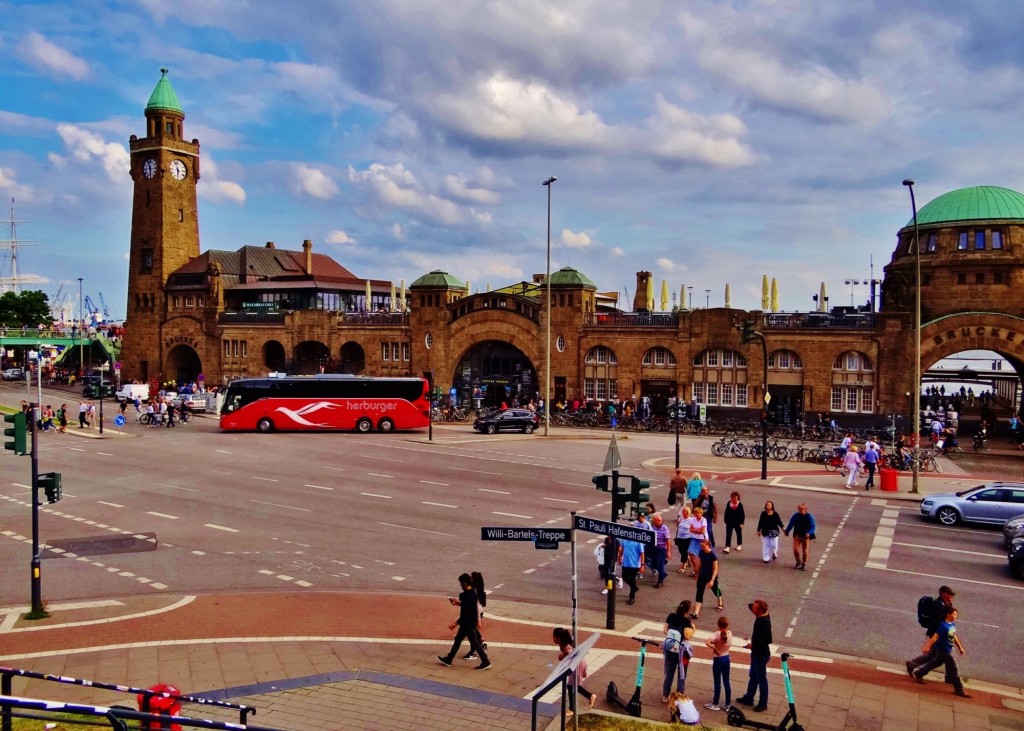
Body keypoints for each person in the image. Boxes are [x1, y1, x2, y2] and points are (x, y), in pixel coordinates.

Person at [911, 606, 971, 698]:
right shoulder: (943, 626)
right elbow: (935, 637)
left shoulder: (951, 624)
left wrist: (960, 647)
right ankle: (959, 688)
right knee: (954, 668)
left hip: (948, 649)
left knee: (936, 662)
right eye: (954, 614)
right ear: (948, 614)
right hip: (945, 650)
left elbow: (954, 636)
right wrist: (927, 646)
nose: (956, 616)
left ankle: (920, 673)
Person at [437, 573, 491, 670]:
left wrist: (455, 624)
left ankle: (485, 661)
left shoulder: (466, 595)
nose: (460, 585)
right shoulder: (473, 593)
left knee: (474, 642)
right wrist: (458, 603)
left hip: (467, 623)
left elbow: (465, 613)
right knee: (458, 640)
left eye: (461, 583)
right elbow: (468, 606)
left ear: (465, 583)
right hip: (470, 622)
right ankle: (449, 659)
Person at [907, 585, 956, 675]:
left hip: (941, 633)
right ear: (944, 594)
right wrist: (936, 635)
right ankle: (916, 669)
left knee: (933, 655)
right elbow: (935, 622)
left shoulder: (947, 604)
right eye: (950, 595)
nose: (952, 597)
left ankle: (912, 665)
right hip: (937, 633)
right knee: (938, 656)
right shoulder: (939, 605)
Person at [735, 599, 772, 713]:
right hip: (757, 652)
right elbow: (749, 605)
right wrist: (753, 644)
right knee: (753, 676)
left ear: (760, 610)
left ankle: (763, 703)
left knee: (761, 679)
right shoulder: (761, 615)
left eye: (755, 608)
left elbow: (768, 640)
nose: (752, 609)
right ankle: (749, 697)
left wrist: (754, 645)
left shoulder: (764, 622)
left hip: (761, 654)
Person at [553, 627, 596, 712]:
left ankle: (572, 709)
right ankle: (590, 696)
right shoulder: (563, 644)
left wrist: (563, 656)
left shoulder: (566, 646)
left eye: (554, 636)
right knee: (574, 685)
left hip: (577, 665)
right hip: (577, 664)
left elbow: (570, 653)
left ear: (559, 638)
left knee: (570, 686)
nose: (553, 638)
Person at [662, 604, 695, 701]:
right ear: (687, 611)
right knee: (682, 674)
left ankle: (665, 695)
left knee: (670, 672)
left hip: (670, 648)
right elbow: (687, 636)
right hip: (682, 652)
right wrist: (693, 628)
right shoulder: (686, 621)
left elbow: (665, 630)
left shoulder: (671, 616)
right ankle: (679, 696)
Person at [704, 615, 732, 712]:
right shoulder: (729, 634)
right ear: (727, 625)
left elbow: (707, 642)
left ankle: (715, 703)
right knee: (726, 681)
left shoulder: (716, 634)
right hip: (727, 658)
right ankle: (727, 704)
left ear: (718, 625)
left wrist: (715, 648)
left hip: (718, 659)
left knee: (717, 682)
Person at [692, 540, 722, 619]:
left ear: (708, 545)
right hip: (702, 575)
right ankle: (696, 612)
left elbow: (715, 568)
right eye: (701, 546)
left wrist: (712, 580)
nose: (702, 547)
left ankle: (720, 602)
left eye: (703, 546)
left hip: (711, 575)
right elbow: (700, 563)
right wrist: (697, 573)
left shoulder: (713, 555)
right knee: (699, 591)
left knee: (716, 590)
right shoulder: (701, 552)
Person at [783, 503, 816, 571]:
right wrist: (787, 531)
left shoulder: (809, 517)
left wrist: (809, 533)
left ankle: (804, 564)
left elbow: (813, 527)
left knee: (805, 551)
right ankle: (798, 561)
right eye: (799, 508)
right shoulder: (796, 516)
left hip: (805, 536)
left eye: (801, 509)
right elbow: (791, 524)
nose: (800, 510)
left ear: (805, 509)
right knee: (795, 550)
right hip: (797, 536)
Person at [463, 572, 488, 660]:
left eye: (471, 578)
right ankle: (480, 643)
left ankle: (473, 652)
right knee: (471, 632)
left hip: (476, 613)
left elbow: (477, 606)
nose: (470, 579)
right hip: (478, 612)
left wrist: (478, 620)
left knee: (471, 633)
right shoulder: (480, 589)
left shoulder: (474, 591)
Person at [618, 536, 644, 605]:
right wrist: (619, 557)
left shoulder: (638, 541)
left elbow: (642, 553)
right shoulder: (625, 540)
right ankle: (634, 587)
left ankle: (631, 597)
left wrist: (642, 565)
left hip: (634, 565)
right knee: (624, 577)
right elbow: (622, 550)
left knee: (632, 580)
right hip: (625, 563)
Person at [650, 514, 671, 588]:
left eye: (654, 520)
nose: (653, 521)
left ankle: (660, 581)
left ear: (659, 520)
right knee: (653, 564)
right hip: (654, 548)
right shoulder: (654, 527)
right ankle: (663, 574)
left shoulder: (665, 529)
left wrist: (668, 551)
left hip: (661, 550)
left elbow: (668, 540)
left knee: (660, 565)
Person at [687, 506, 708, 577]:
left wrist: (695, 530)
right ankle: (695, 569)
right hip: (694, 538)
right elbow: (690, 529)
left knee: (701, 556)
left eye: (698, 513)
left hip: (702, 540)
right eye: (696, 513)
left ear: (701, 514)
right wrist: (697, 530)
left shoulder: (704, 520)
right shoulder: (693, 519)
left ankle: (701, 570)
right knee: (690, 553)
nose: (697, 514)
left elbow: (702, 531)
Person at [674, 504, 692, 574]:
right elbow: (678, 525)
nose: (684, 513)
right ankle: (688, 558)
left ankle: (683, 566)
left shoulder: (691, 520)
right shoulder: (681, 518)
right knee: (681, 551)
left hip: (687, 538)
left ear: (688, 512)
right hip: (680, 537)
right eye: (683, 511)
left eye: (685, 511)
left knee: (684, 551)